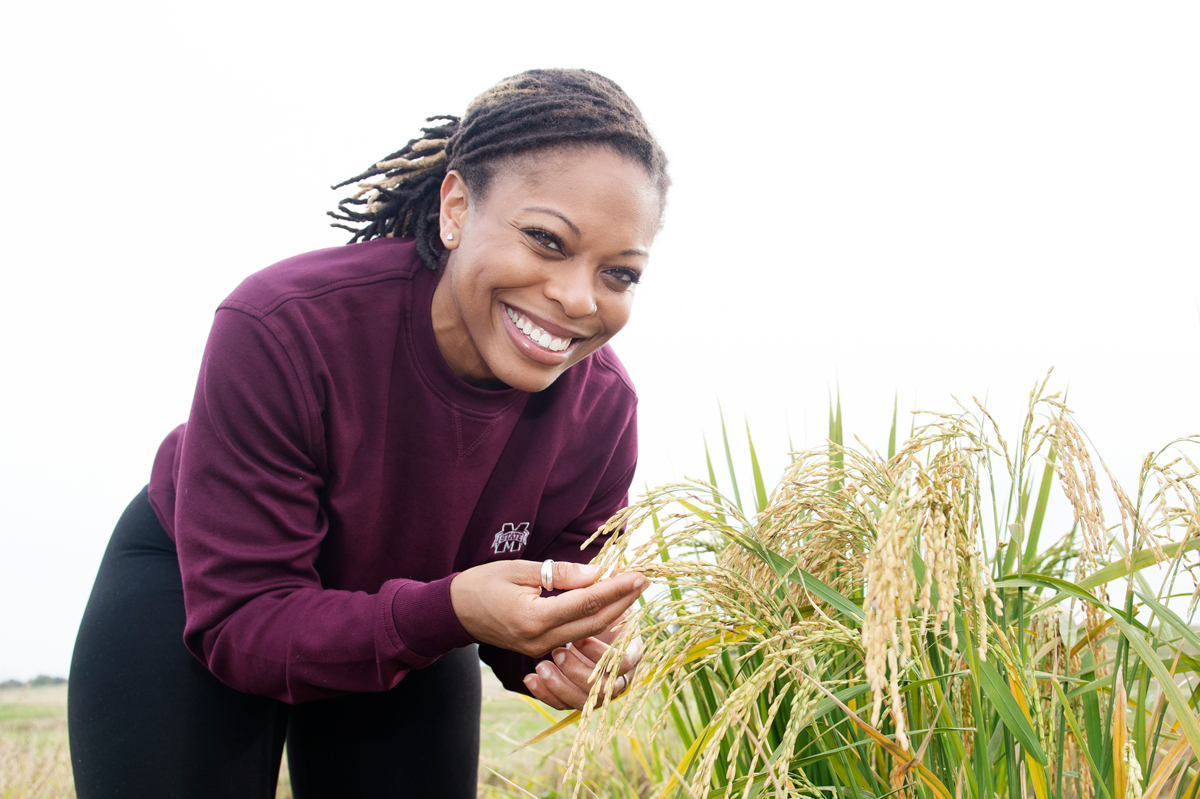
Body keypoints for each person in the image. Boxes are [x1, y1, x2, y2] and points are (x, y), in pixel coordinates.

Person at [68, 68, 668, 798]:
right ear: (455, 208)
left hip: (418, 610)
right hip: (209, 590)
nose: (577, 299)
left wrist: (577, 651)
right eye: (545, 240)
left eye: (619, 273)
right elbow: (246, 622)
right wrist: (448, 609)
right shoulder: (282, 326)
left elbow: (525, 622)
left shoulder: (601, 411)